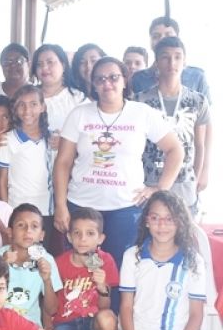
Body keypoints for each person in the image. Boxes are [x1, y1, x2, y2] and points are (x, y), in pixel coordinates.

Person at [53, 57, 184, 277]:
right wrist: (60, 205)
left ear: (125, 80)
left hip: (126, 209)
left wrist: (159, 188)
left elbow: (175, 150)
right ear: (93, 84)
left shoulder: (142, 113)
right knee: (79, 273)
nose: (107, 84)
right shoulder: (80, 114)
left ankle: (114, 313)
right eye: (100, 79)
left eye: (114, 77)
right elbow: (63, 162)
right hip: (82, 206)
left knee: (121, 273)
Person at [112, 191, 206, 330]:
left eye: (169, 218)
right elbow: (125, 308)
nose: (161, 225)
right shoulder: (132, 256)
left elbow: (196, 316)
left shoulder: (193, 261)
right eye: (155, 218)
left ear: (180, 222)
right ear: (146, 221)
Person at [134, 36, 210, 212]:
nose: (172, 63)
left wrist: (196, 177)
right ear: (156, 62)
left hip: (184, 184)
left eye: (177, 57)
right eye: (165, 57)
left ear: (185, 61)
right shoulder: (140, 101)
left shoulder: (197, 101)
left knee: (183, 237)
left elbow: (199, 145)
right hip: (149, 183)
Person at [52, 207, 118, 330]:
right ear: (69, 237)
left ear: (100, 239)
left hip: (92, 322)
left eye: (90, 233)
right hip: (65, 322)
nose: (83, 239)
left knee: (109, 318)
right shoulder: (59, 263)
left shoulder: (105, 261)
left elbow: (105, 306)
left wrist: (102, 286)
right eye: (77, 233)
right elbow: (51, 300)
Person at [0, 85, 55, 248]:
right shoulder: (7, 139)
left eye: (33, 104)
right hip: (18, 209)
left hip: (45, 211)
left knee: (41, 258)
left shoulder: (51, 139)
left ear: (43, 107)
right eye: (21, 104)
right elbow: (2, 180)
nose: (27, 109)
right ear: (15, 109)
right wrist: (5, 212)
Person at [0, 204, 62, 327]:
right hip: (0, 327)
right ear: (10, 232)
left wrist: (47, 280)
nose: (28, 230)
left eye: (34, 226)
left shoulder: (46, 260)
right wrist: (0, 266)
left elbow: (52, 310)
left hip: (30, 329)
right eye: (21, 225)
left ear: (41, 235)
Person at [130, 16, 210, 98]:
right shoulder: (139, 79)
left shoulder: (196, 77)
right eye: (156, 36)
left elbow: (206, 109)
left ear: (178, 39)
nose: (162, 39)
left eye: (168, 35)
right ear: (150, 41)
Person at [32, 44, 86, 147]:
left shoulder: (78, 99)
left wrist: (68, 142)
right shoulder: (27, 97)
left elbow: (91, 135)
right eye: (39, 64)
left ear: (64, 65)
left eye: (50, 62)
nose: (44, 67)